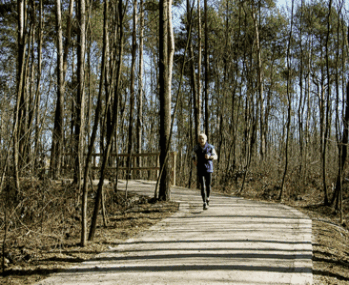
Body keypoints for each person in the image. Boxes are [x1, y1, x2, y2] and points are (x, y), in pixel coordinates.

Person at [192, 133, 218, 210]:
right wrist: (194, 161)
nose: (201, 140)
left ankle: (208, 198)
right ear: (198, 140)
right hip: (200, 168)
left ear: (206, 139)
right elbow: (192, 154)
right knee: (202, 186)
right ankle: (204, 202)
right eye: (200, 138)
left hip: (209, 168)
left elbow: (216, 156)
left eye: (203, 138)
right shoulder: (196, 148)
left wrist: (210, 157)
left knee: (208, 185)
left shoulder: (210, 147)